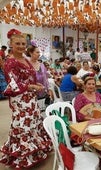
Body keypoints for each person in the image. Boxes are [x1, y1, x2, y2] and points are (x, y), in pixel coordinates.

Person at [0, 29, 52, 169]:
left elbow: (30, 77)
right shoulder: (10, 62)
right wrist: (31, 86)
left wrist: (37, 84)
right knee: (23, 125)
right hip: (20, 99)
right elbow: (13, 83)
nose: (21, 46)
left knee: (33, 123)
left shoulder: (25, 59)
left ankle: (36, 152)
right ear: (10, 44)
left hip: (30, 97)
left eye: (23, 43)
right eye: (18, 43)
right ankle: (22, 157)